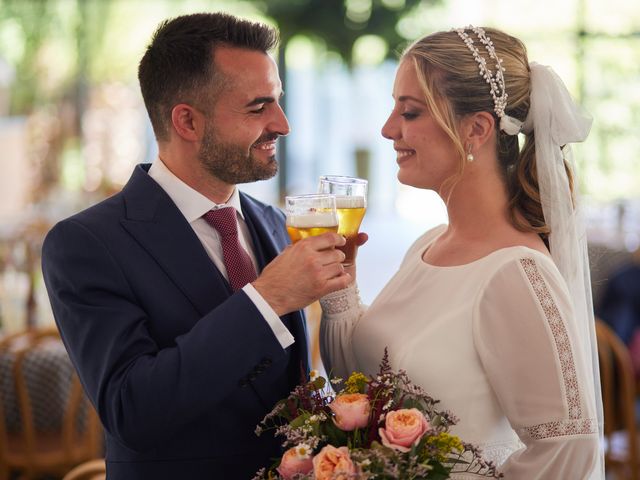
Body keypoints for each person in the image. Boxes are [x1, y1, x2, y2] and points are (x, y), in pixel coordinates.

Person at [41, 12, 350, 479]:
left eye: (279, 102)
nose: (282, 124)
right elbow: (132, 411)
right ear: (186, 121)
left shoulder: (273, 223)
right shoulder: (85, 243)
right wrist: (267, 299)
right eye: (257, 107)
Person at [319, 26, 604, 478]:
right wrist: (339, 289)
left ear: (476, 129)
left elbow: (569, 449)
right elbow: (363, 388)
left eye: (409, 112)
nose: (388, 129)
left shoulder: (517, 272)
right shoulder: (427, 245)